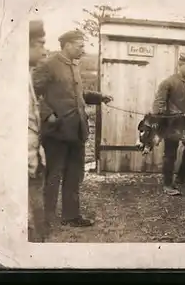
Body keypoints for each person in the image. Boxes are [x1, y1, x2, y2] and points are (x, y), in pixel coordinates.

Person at [31, 30, 113, 228]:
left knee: (74, 175)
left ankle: (71, 216)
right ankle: (46, 219)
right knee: (53, 175)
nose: (83, 50)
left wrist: (98, 97)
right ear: (67, 45)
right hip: (57, 132)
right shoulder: (49, 65)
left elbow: (78, 94)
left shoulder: (75, 65)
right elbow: (32, 92)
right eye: (80, 46)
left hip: (76, 130)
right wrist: (47, 114)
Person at [152, 53, 185, 195]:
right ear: (179, 65)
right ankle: (168, 185)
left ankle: (181, 178)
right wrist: (163, 119)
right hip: (172, 125)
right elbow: (159, 104)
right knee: (170, 154)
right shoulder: (168, 82)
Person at [28, 20, 48, 242]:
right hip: (24, 160)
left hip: (33, 154)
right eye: (39, 44)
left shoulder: (27, 73)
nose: (44, 50)